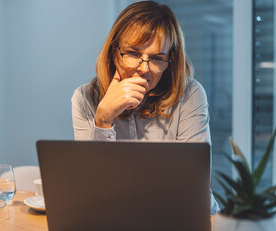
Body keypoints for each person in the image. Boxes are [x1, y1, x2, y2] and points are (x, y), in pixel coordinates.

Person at [71, 1, 219, 214]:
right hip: (118, 219)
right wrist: (103, 120)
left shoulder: (190, 94)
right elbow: (93, 191)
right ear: (115, 53)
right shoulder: (85, 98)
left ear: (170, 60)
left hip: (186, 217)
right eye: (133, 53)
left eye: (157, 59)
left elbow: (192, 185)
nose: (144, 69)